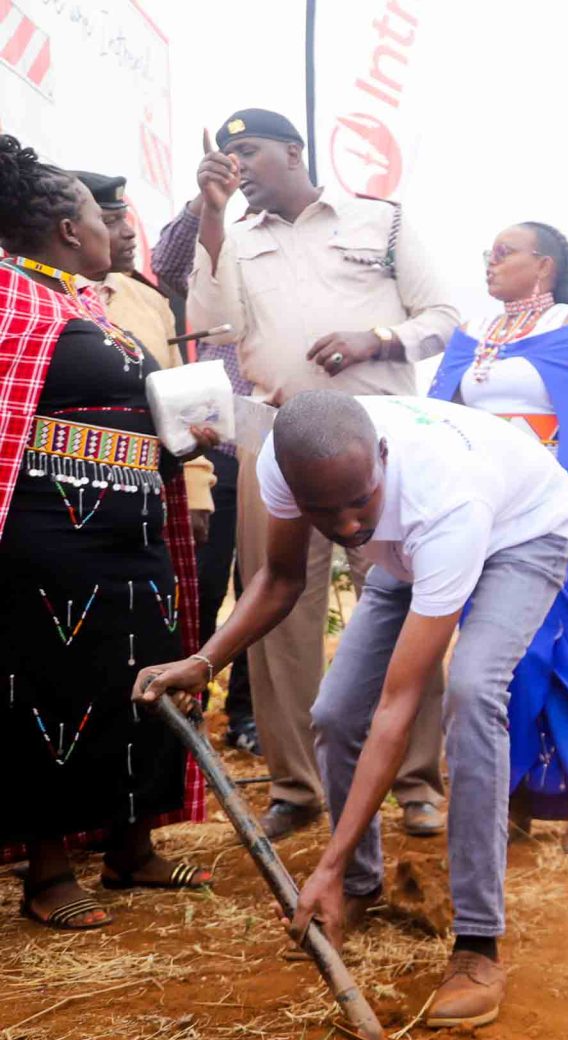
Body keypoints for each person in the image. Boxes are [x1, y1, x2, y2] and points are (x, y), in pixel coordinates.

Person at [138, 390, 568, 1028]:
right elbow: (282, 579)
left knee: (473, 690)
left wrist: (325, 858)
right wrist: (206, 660)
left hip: (523, 528)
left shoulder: (445, 499)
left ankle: (479, 942)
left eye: (360, 502)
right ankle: (357, 888)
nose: (348, 527)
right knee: (336, 712)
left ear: (381, 455)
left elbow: (400, 706)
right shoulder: (286, 465)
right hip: (412, 550)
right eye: (327, 512)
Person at [186, 108, 458, 841]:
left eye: (247, 152)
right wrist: (211, 223)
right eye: (226, 158)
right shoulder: (232, 240)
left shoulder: (382, 220)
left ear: (293, 151)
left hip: (384, 444)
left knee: (403, 606)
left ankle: (417, 784)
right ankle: (296, 789)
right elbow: (210, 328)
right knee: (278, 620)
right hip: (277, 443)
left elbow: (443, 315)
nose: (236, 167)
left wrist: (377, 339)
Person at [0, 136, 217, 929]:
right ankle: (50, 871)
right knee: (51, 691)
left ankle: (132, 847)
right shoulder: (9, 299)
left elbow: (132, 416)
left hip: (133, 531)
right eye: (101, 214)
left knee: (140, 685)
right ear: (66, 229)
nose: (114, 228)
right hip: (49, 534)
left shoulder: (93, 307)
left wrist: (190, 436)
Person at [427, 221, 568, 855]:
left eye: (505, 253)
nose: (491, 261)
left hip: (561, 513)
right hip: (484, 516)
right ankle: (506, 797)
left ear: (542, 266)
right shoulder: (474, 336)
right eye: (488, 252)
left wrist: (542, 492)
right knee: (497, 657)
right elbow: (440, 415)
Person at [152, 196, 258, 756]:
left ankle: (249, 716)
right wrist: (206, 203)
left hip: (269, 446)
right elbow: (165, 263)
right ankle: (191, 707)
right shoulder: (219, 243)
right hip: (213, 445)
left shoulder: (292, 262)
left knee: (260, 587)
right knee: (207, 580)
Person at [73, 172, 217, 538]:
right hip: (62, 494)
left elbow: (183, 403)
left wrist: (197, 490)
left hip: (154, 485)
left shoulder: (149, 300)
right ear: (69, 231)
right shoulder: (33, 299)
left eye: (124, 218)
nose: (128, 232)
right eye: (108, 221)